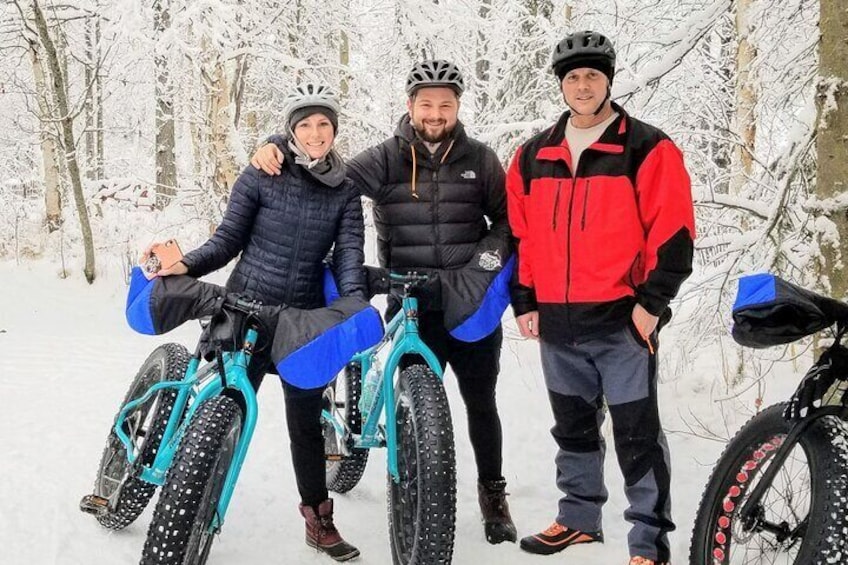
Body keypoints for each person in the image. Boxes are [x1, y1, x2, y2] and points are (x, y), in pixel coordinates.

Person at [251, 60, 518, 544]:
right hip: (410, 300)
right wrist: (275, 142)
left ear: (457, 107)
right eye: (426, 104)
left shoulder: (481, 158)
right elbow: (322, 170)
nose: (435, 113)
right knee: (414, 408)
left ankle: (492, 492)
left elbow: (505, 221)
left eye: (445, 104)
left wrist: (485, 262)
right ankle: (415, 491)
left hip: (468, 300)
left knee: (481, 401)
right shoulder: (386, 159)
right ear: (410, 106)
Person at [144, 84, 365, 562]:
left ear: (334, 129)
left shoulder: (346, 191)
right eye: (305, 124)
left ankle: (318, 519)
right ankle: (168, 480)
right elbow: (226, 240)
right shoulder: (262, 172)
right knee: (215, 404)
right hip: (243, 308)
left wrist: (352, 305)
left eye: (323, 123)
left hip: (300, 321)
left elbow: (348, 254)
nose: (315, 133)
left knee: (305, 420)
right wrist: (185, 267)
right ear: (290, 130)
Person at [505, 31, 695, 565]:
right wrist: (526, 301)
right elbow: (518, 238)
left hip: (622, 324)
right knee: (572, 429)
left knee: (638, 436)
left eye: (592, 75)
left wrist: (649, 306)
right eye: (572, 77)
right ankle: (578, 519)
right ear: (561, 86)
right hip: (558, 327)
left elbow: (674, 234)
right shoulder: (532, 155)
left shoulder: (646, 147)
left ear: (608, 80)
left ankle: (648, 544)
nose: (582, 85)